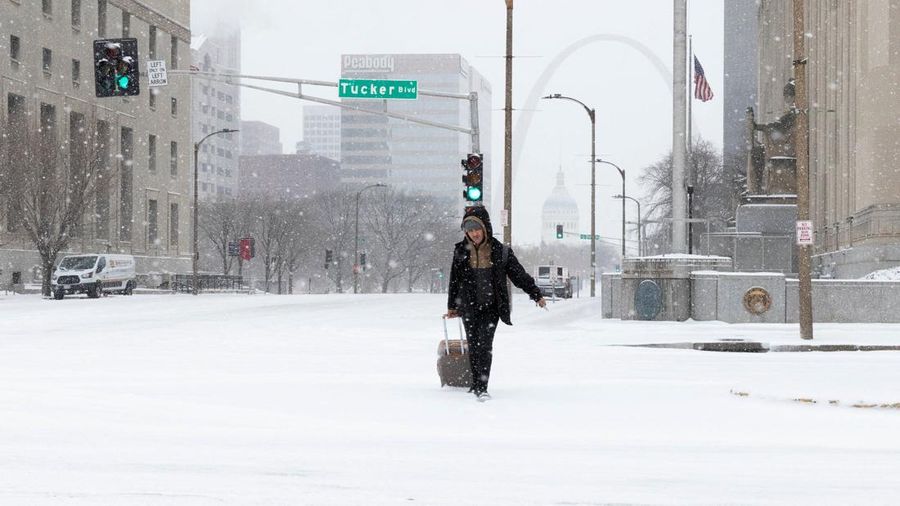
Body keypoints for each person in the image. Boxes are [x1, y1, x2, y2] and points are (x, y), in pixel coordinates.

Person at [444, 206, 546, 401]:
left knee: (485, 345)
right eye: (470, 230)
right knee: (474, 345)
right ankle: (475, 383)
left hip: (491, 307)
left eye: (477, 229)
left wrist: (535, 294)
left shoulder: (501, 251)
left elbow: (519, 275)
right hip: (469, 307)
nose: (474, 234)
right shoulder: (460, 251)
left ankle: (482, 386)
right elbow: (454, 280)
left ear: (485, 228)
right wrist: (452, 307)